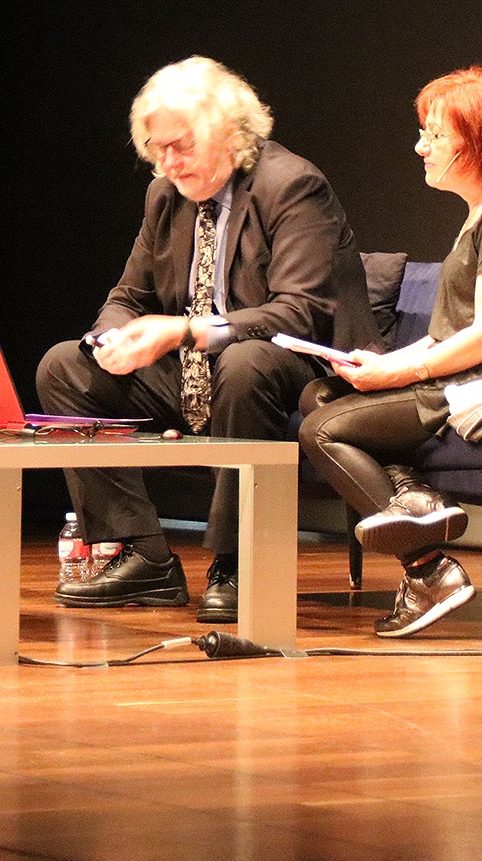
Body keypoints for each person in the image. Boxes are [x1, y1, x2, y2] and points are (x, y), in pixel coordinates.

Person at [36, 56, 378, 624]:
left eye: (181, 146)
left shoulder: (291, 184)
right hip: (198, 372)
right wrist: (110, 338)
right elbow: (129, 294)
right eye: (156, 148)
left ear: (231, 134)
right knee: (63, 367)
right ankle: (144, 554)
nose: (167, 162)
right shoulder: (164, 196)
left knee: (245, 364)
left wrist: (186, 330)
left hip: (292, 370)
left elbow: (300, 312)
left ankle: (236, 563)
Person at [298, 67, 482, 637]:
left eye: (435, 134)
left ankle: (427, 568)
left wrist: (404, 371)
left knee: (323, 429)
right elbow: (457, 324)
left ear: (480, 143)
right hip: (476, 370)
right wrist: (381, 365)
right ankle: (413, 497)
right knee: (323, 390)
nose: (420, 146)